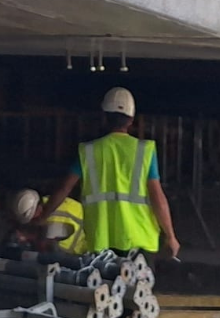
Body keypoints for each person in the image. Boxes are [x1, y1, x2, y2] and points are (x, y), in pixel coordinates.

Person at [33, 87, 180, 258]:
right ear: (131, 119)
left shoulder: (88, 152)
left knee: (101, 284)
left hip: (101, 239)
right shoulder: (144, 151)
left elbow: (64, 189)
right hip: (138, 239)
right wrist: (170, 235)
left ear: (104, 117)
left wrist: (44, 216)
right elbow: (157, 197)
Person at [9, 187, 88, 255]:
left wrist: (26, 237)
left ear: (38, 210)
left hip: (86, 251)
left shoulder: (54, 223)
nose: (31, 222)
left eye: (31, 219)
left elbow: (45, 249)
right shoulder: (51, 202)